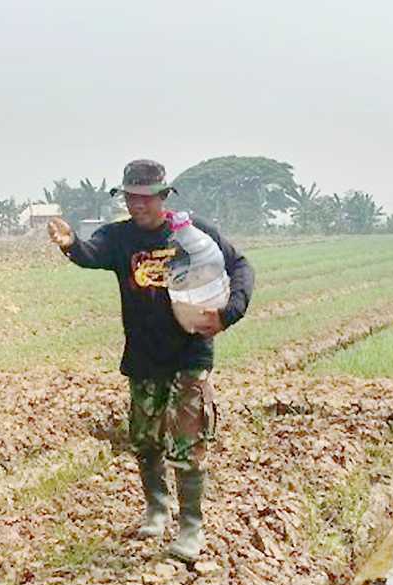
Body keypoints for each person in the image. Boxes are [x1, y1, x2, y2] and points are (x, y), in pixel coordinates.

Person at [47, 160, 255, 562]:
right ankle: (157, 508)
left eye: (145, 198)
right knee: (145, 439)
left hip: (189, 354)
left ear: (163, 197)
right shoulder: (120, 237)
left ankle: (191, 527)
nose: (137, 205)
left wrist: (229, 312)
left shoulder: (192, 233)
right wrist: (70, 243)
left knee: (188, 439)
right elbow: (91, 253)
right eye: (130, 197)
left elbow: (240, 265)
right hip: (143, 356)